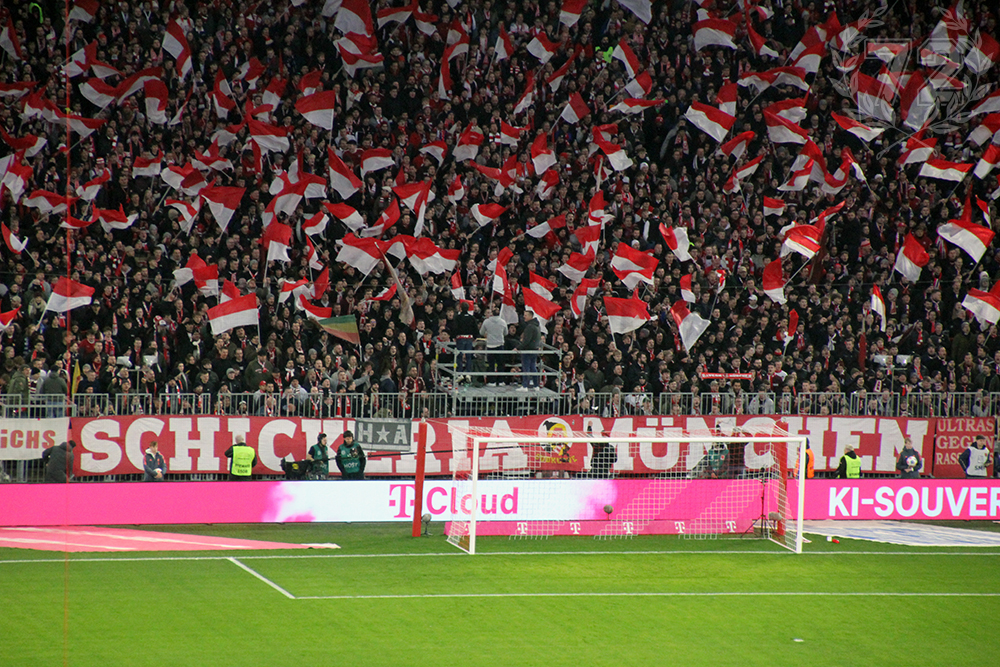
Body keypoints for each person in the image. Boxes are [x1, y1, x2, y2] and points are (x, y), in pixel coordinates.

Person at [479, 305, 508, 385]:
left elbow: (481, 332)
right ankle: (501, 381)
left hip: (490, 345)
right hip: (500, 344)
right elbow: (506, 333)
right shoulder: (503, 322)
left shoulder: (486, 321)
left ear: (492, 313)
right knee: (500, 364)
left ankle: (492, 381)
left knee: (491, 364)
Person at [517, 310, 541, 390]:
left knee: (526, 367)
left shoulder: (530, 327)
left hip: (528, 350)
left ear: (530, 316)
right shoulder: (536, 326)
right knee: (533, 367)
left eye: (525, 315)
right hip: (534, 349)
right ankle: (536, 385)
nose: (524, 317)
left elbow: (526, 340)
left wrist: (518, 347)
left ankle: (525, 386)